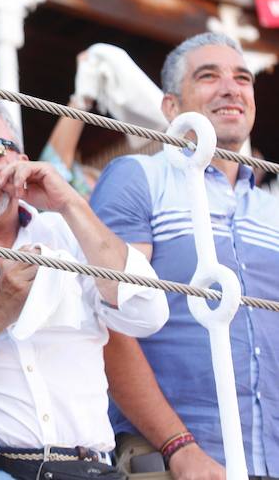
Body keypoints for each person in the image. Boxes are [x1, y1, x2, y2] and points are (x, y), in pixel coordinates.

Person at [0, 94, 168, 480]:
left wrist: (69, 203)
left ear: (21, 157)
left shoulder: (67, 231)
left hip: (91, 469)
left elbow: (147, 313)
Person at [91, 33, 279, 478]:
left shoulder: (272, 207)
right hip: (172, 460)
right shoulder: (138, 177)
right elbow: (109, 322)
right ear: (171, 108)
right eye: (208, 76)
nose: (231, 88)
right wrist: (179, 447)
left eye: (242, 78)